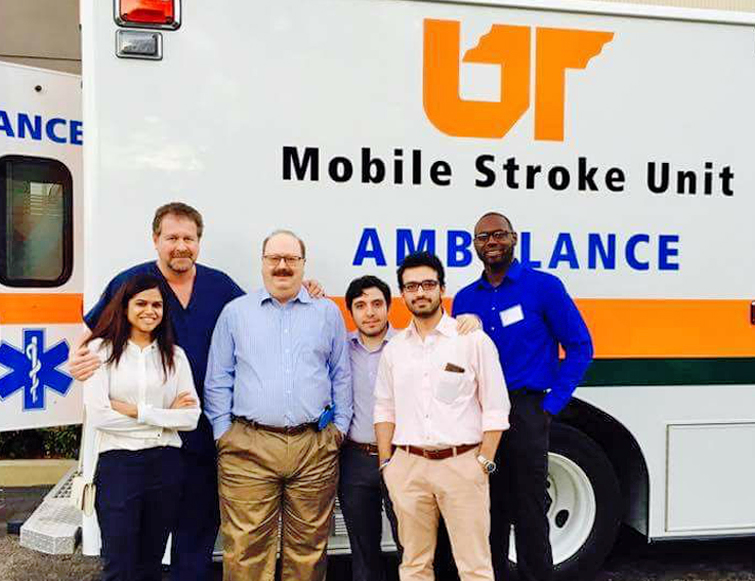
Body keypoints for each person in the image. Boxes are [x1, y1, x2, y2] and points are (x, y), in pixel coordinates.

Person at [69, 202, 324, 579]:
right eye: (171, 237)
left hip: (203, 435)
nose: (180, 246)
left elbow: (262, 310)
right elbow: (94, 332)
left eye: (189, 238)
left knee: (196, 539)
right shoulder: (132, 282)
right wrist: (78, 357)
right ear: (155, 240)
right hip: (145, 444)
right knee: (135, 550)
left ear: (199, 242)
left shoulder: (218, 285)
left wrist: (302, 288)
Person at [452, 212, 593, 581]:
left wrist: (551, 406)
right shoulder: (465, 299)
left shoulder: (543, 287)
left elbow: (580, 346)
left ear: (514, 238)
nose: (492, 242)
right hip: (480, 416)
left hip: (527, 410)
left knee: (530, 513)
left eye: (499, 234)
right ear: (475, 246)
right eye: (483, 237)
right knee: (488, 512)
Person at [204, 229, 352, 581]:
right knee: (245, 551)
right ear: (262, 263)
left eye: (291, 259)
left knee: (310, 551)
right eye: (274, 258)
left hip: (314, 447)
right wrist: (224, 433)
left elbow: (341, 375)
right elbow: (218, 378)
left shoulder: (327, 313)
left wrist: (339, 431)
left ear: (303, 264)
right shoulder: (235, 313)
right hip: (247, 447)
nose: (282, 266)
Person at [374, 251, 510, 581]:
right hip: (408, 467)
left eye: (427, 284)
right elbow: (384, 407)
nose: (420, 292)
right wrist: (387, 465)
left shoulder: (472, 340)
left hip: (462, 466)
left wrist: (484, 463)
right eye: (411, 287)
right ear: (402, 294)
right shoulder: (395, 350)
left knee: (475, 566)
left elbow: (496, 406)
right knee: (414, 565)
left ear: (441, 288)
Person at [340, 275, 484, 581]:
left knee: (415, 549)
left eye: (377, 303)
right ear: (350, 311)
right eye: (360, 305)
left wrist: (472, 320)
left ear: (390, 305)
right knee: (363, 551)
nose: (370, 312)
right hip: (355, 461)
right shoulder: (340, 349)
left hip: (405, 460)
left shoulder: (409, 345)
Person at [83, 273, 200, 581]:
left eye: (157, 305)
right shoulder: (100, 352)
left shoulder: (175, 356)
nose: (150, 311)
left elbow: (190, 418)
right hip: (118, 466)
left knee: (151, 563)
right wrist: (163, 419)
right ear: (124, 307)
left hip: (166, 467)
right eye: (142, 303)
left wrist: (139, 412)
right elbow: (100, 418)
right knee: (118, 563)